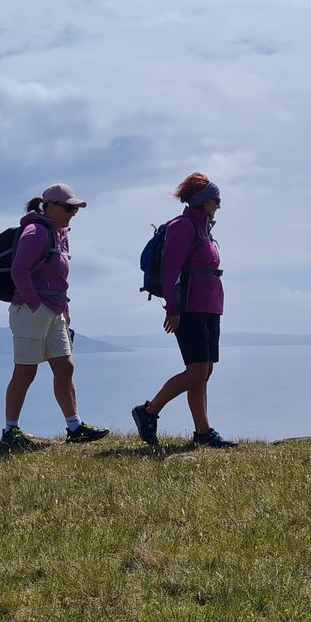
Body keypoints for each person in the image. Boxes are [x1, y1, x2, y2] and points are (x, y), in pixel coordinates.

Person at [0, 184, 110, 453]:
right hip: (31, 312)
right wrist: (36, 306)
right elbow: (19, 270)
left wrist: (64, 310)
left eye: (75, 209)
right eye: (69, 208)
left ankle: (75, 427)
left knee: (65, 366)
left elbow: (59, 278)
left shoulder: (60, 236)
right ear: (50, 207)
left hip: (55, 311)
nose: (73, 214)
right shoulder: (36, 232)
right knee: (25, 371)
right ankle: (10, 432)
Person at [132, 173, 237, 450]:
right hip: (189, 308)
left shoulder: (204, 229)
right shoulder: (183, 226)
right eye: (216, 199)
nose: (219, 205)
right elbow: (171, 270)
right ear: (203, 200)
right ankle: (149, 412)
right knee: (196, 372)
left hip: (209, 307)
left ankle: (203, 432)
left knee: (204, 371)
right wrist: (173, 308)